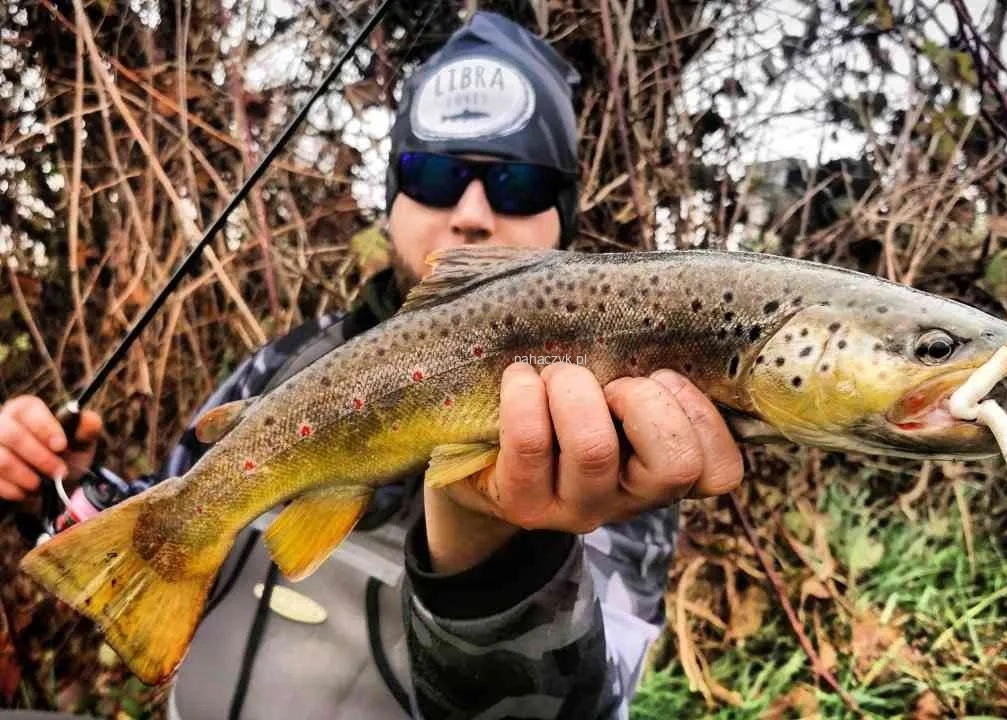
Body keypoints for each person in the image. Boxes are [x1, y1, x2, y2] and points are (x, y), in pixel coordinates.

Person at [0, 11, 743, 719]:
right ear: (392, 197)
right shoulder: (286, 362)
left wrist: (499, 558)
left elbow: (585, 704)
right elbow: (170, 520)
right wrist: (58, 482)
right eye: (435, 175)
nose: (471, 214)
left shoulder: (623, 439)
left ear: (564, 212)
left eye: (518, 184)